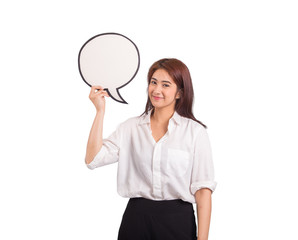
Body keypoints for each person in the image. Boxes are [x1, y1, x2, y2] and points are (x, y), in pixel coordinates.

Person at [85, 58, 217, 240]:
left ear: (179, 93)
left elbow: (203, 191)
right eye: (153, 82)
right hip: (136, 220)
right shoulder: (130, 128)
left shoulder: (194, 132)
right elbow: (92, 160)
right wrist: (100, 112)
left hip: (178, 222)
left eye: (165, 85)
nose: (156, 90)